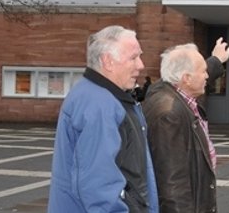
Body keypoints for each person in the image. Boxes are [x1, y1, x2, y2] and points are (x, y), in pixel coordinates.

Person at [48, 25, 158, 212]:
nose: (141, 65)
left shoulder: (99, 96)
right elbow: (99, 186)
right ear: (108, 61)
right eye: (133, 57)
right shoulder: (99, 105)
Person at [143, 38, 229, 213]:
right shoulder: (169, 114)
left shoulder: (168, 92)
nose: (207, 76)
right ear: (186, 78)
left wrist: (215, 61)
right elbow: (173, 183)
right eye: (204, 71)